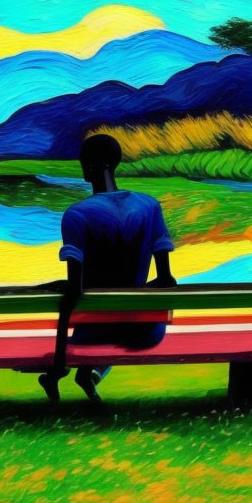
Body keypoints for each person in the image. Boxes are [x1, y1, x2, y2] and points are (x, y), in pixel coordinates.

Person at [39, 134, 176, 404]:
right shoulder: (150, 206)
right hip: (146, 333)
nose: (81, 168)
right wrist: (132, 293)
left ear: (97, 165)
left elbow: (75, 289)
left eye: (84, 162)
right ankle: (88, 372)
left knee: (88, 323)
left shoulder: (77, 215)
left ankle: (56, 372)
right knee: (118, 316)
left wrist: (50, 289)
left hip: (95, 331)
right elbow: (166, 280)